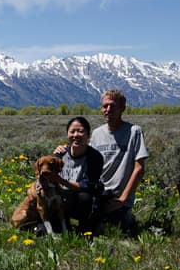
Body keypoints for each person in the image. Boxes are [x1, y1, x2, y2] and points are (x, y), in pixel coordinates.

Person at [90, 89, 149, 236]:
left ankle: (126, 216)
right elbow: (88, 163)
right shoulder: (97, 134)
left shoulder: (134, 131)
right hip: (100, 194)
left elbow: (139, 168)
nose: (108, 110)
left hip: (119, 198)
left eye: (112, 106)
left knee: (120, 231)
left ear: (122, 108)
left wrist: (122, 199)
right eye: (105, 106)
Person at [51, 117, 104, 233]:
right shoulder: (60, 154)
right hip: (61, 197)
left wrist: (60, 181)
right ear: (67, 134)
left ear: (88, 135)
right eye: (72, 131)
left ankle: (85, 227)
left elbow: (87, 186)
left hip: (81, 202)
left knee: (84, 196)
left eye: (80, 131)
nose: (76, 135)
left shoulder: (95, 157)